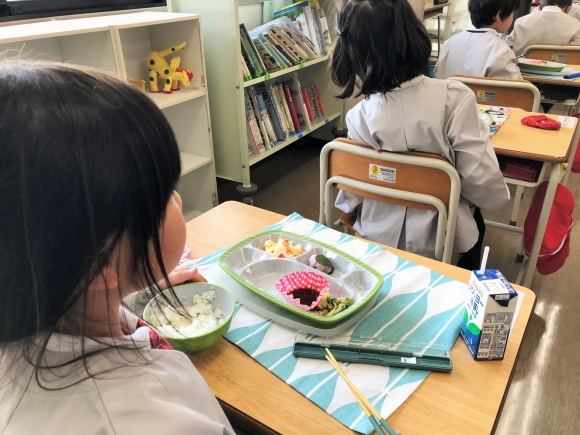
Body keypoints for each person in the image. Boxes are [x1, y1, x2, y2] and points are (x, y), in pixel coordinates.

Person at [0, 60, 235, 435]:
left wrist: (128, 287)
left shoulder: (41, 307)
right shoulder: (151, 421)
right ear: (99, 264)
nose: (176, 199)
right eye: (162, 198)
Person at [329, 0, 510, 269]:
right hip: (444, 241)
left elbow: (352, 197)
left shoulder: (357, 117)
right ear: (415, 33)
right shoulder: (455, 99)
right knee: (476, 223)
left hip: (375, 237)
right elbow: (485, 188)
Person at [435, 0, 522, 79]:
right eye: (512, 12)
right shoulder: (502, 51)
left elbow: (437, 73)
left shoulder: (449, 43)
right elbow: (514, 90)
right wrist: (513, 67)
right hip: (476, 96)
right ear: (498, 15)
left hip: (444, 95)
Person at [507, 0, 580, 56]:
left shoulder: (520, 21)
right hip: (561, 74)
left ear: (539, 7)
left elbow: (507, 48)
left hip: (520, 72)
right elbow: (575, 55)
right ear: (568, 9)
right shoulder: (576, 26)